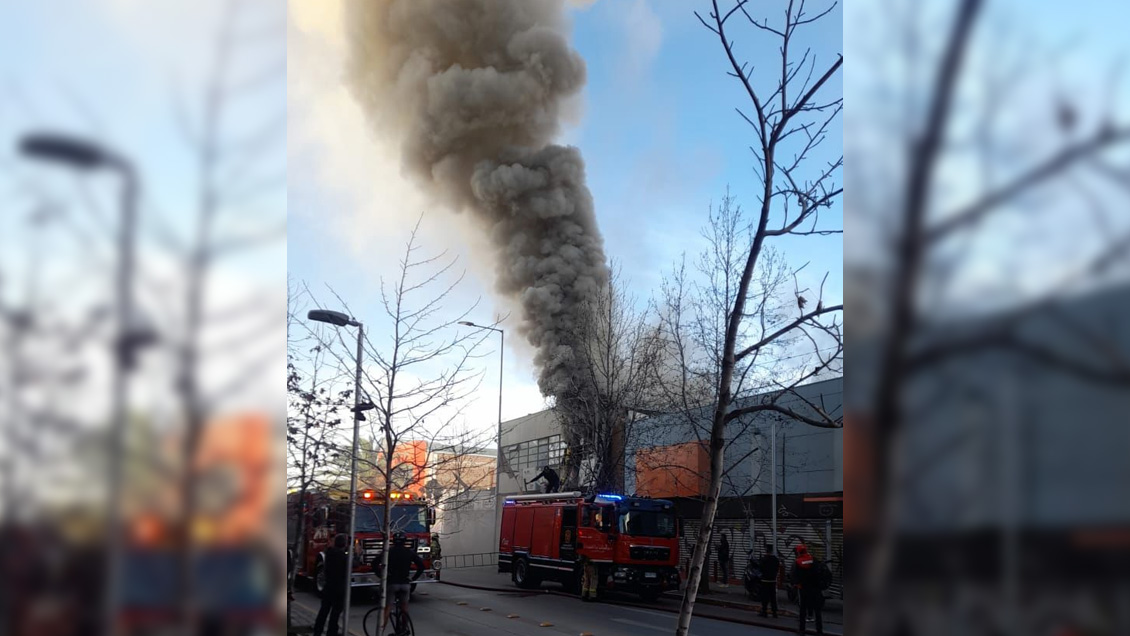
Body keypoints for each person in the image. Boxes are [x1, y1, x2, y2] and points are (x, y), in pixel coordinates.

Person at [382, 533, 425, 635]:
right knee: (404, 608)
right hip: (405, 584)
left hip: (392, 582)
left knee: (387, 608)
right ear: (404, 541)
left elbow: (374, 563)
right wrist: (413, 578)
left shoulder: (389, 552)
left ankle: (380, 630)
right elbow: (421, 566)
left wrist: (382, 576)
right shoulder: (409, 552)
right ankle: (403, 629)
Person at [313, 534, 349, 636]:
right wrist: (357, 554)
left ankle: (317, 631)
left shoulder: (329, 554)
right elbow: (353, 564)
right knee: (335, 613)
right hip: (339, 589)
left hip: (328, 587)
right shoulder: (343, 557)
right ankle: (331, 632)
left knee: (323, 611)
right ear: (344, 544)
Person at [789, 544, 824, 636]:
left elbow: (793, 575)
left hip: (803, 589)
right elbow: (820, 572)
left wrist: (796, 584)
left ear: (798, 552)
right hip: (815, 588)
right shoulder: (814, 560)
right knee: (817, 611)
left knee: (803, 609)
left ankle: (802, 630)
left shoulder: (797, 562)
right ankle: (819, 631)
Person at [758, 545, 780, 619]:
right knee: (773, 597)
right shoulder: (776, 559)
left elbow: (760, 569)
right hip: (773, 580)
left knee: (765, 597)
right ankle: (774, 612)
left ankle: (764, 612)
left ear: (766, 550)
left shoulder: (764, 559)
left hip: (765, 580)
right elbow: (777, 568)